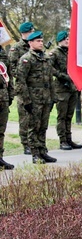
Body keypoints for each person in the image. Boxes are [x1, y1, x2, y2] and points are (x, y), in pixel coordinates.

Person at [16, 31, 57, 164]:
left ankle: (42, 151)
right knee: (34, 126)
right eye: (38, 41)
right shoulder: (26, 59)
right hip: (33, 99)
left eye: (41, 40)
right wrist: (26, 101)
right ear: (30, 43)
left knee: (43, 126)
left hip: (45, 98)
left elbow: (50, 79)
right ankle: (35, 153)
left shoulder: (45, 58)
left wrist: (53, 97)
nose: (41, 43)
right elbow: (21, 81)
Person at [48, 30, 82, 150]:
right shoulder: (54, 53)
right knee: (62, 116)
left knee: (69, 115)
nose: (67, 41)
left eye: (68, 39)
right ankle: (62, 140)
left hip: (72, 87)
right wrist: (61, 76)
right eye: (65, 39)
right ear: (60, 41)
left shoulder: (71, 52)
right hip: (61, 88)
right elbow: (49, 67)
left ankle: (69, 138)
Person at [9, 22, 35, 154]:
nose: (33, 33)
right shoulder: (16, 48)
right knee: (24, 117)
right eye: (31, 31)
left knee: (35, 117)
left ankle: (35, 143)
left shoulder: (34, 47)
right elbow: (12, 68)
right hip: (22, 87)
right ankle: (26, 144)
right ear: (24, 33)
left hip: (35, 88)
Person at [0, 45, 12, 169]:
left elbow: (9, 75)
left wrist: (11, 95)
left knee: (1, 131)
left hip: (3, 98)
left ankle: (0, 158)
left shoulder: (2, 53)